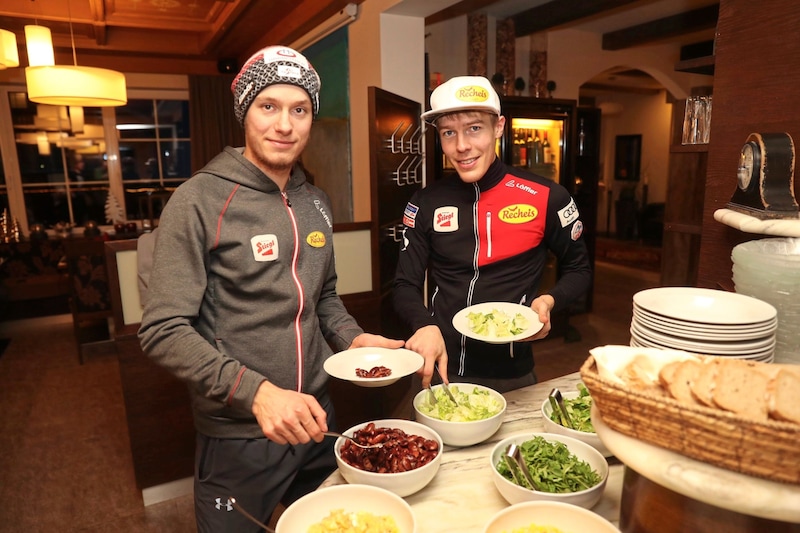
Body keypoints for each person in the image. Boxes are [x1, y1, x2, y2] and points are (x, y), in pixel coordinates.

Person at [138, 45, 403, 532]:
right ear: (245, 112)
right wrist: (257, 393)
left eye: (299, 110)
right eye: (269, 106)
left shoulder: (314, 199)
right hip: (240, 435)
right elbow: (162, 329)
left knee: (343, 524)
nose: (285, 125)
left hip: (317, 418)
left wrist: (353, 339)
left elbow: (323, 298)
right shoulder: (197, 200)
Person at [393, 75, 592, 394]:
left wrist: (549, 301)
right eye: (448, 132)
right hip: (443, 365)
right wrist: (424, 324)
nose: (461, 146)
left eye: (474, 128)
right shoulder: (425, 202)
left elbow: (579, 269)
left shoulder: (547, 197)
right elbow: (405, 283)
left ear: (498, 127)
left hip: (513, 373)